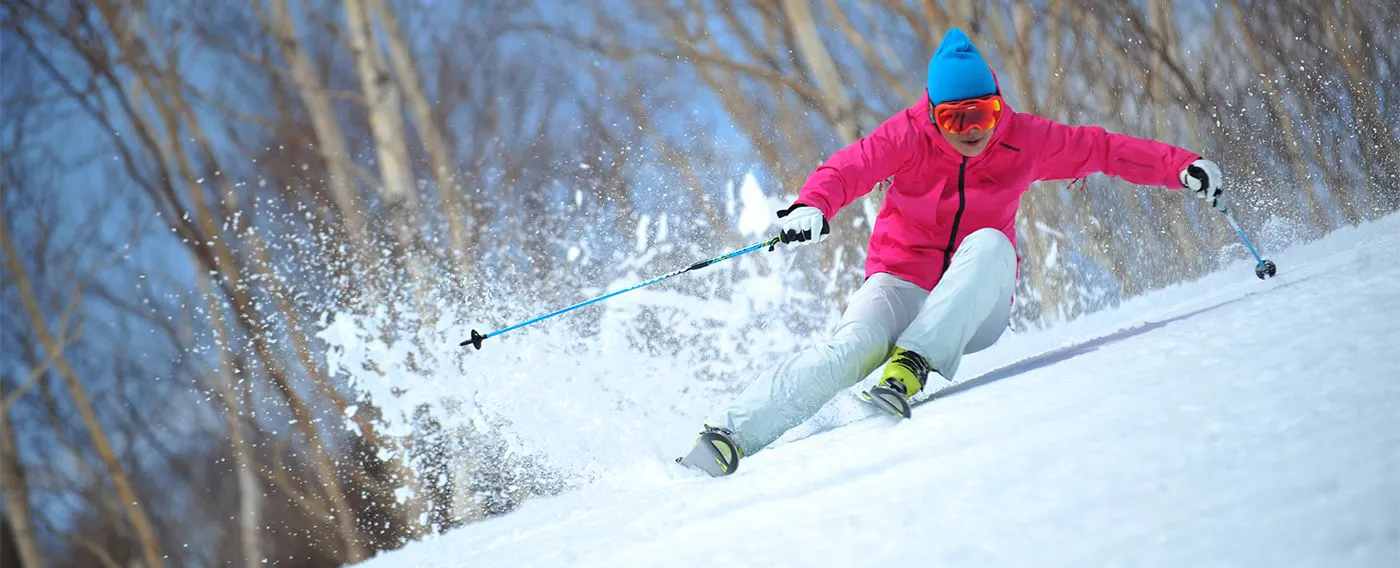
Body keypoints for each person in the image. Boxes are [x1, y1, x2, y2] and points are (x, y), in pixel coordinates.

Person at [676, 28, 1223, 477]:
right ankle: (726, 436)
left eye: (980, 116)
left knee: (988, 243)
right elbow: (848, 166)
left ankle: (912, 365)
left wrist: (1179, 165)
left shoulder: (1025, 139)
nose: (970, 133)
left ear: (997, 107)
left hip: (975, 308)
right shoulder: (907, 136)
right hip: (900, 282)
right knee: (850, 349)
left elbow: (1103, 149)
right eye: (953, 120)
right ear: (933, 115)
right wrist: (812, 206)